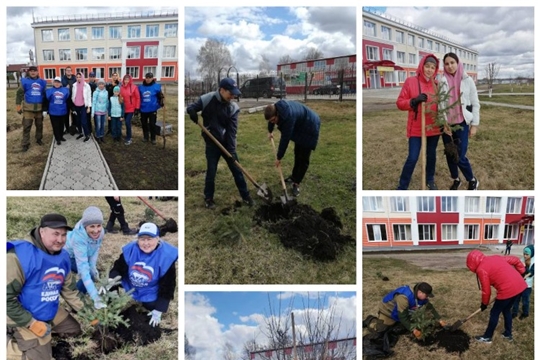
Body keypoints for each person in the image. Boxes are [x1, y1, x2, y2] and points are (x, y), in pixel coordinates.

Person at [6, 214, 85, 359]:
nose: (60, 240)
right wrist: (31, 323)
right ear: (42, 231)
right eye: (55, 234)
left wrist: (89, 313)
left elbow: (70, 290)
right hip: (20, 314)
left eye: (63, 234)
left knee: (73, 330)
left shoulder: (63, 257)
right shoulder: (18, 256)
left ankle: (40, 339)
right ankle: (9, 339)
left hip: (45, 306)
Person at [187, 77, 253, 209]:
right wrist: (192, 112)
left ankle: (246, 196)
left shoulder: (233, 108)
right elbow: (191, 107)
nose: (233, 96)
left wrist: (232, 151)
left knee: (237, 170)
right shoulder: (207, 99)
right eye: (231, 93)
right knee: (211, 171)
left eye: (234, 93)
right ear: (222, 90)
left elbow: (232, 132)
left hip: (227, 143)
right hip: (211, 142)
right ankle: (209, 198)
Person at [108, 222, 178, 327]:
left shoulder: (166, 257)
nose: (146, 243)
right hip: (131, 283)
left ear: (157, 238)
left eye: (149, 239)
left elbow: (168, 286)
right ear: (138, 239)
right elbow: (118, 267)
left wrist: (158, 310)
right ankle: (112, 307)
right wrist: (111, 280)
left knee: (151, 306)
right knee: (110, 282)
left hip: (149, 289)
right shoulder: (131, 250)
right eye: (142, 239)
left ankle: (149, 303)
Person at [396, 54, 441, 190]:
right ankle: (403, 186)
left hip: (434, 127)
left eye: (433, 67)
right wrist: (413, 101)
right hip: (416, 128)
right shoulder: (411, 82)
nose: (429, 70)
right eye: (427, 66)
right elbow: (399, 103)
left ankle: (430, 179)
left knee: (431, 155)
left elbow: (443, 104)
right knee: (413, 157)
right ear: (422, 66)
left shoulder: (437, 85)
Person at [466, 249, 527, 343]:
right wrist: (522, 271)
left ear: (472, 264)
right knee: (506, 310)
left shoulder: (481, 269)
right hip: (520, 286)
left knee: (494, 312)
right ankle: (508, 334)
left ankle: (487, 337)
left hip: (507, 290)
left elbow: (486, 290)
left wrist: (484, 303)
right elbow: (515, 259)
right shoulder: (495, 257)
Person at [439, 52, 480, 190]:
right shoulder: (442, 81)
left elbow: (475, 103)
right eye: (446, 63)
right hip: (447, 125)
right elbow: (440, 104)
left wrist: (474, 125)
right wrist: (444, 124)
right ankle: (456, 179)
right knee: (450, 154)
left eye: (452, 62)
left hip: (462, 123)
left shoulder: (467, 80)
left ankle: (472, 179)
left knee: (460, 156)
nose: (450, 66)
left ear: (458, 63)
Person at [263, 99, 321, 197]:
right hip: (300, 126)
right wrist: (270, 130)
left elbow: (285, 139)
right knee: (297, 153)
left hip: (310, 127)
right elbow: (271, 119)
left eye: (273, 120)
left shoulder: (288, 117)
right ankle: (294, 177)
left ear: (277, 114)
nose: (273, 122)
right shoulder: (276, 109)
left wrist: (279, 157)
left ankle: (297, 183)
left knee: (303, 158)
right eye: (271, 121)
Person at [63, 206, 107, 311]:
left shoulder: (101, 233)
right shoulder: (78, 239)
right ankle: (76, 303)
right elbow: (83, 269)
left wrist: (93, 268)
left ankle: (78, 298)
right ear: (85, 226)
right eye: (92, 226)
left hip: (84, 252)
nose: (96, 230)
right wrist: (95, 297)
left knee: (92, 274)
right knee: (86, 275)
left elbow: (95, 249)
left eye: (98, 226)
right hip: (68, 256)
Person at [366, 282, 444, 339]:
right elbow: (402, 317)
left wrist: (440, 320)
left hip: (402, 311)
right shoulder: (404, 297)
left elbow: (430, 307)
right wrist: (414, 330)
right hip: (388, 311)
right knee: (380, 330)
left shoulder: (419, 295)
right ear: (420, 292)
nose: (427, 297)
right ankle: (371, 320)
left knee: (403, 326)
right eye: (426, 295)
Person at [15, 65, 47, 152]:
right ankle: (25, 143)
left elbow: (44, 95)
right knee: (26, 126)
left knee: (39, 125)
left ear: (37, 72)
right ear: (29, 72)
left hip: (39, 109)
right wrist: (18, 106)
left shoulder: (42, 82)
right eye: (31, 71)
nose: (33, 72)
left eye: (34, 71)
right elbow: (19, 94)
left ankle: (39, 139)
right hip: (28, 108)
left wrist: (45, 108)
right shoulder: (25, 81)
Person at [138, 72, 165, 145]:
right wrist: (137, 107)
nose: (148, 79)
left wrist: (161, 101)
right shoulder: (140, 87)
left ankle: (153, 138)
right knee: (144, 124)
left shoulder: (156, 86)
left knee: (152, 124)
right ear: (145, 78)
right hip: (143, 109)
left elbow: (160, 97)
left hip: (152, 109)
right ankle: (145, 137)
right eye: (147, 78)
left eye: (150, 78)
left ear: (152, 78)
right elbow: (138, 97)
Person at [43, 76, 69, 146]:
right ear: (53, 83)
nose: (57, 83)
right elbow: (46, 101)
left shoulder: (65, 90)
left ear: (61, 83)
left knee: (61, 125)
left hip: (62, 111)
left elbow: (68, 100)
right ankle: (57, 139)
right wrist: (45, 109)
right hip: (53, 112)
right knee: (55, 126)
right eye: (55, 82)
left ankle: (61, 136)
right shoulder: (49, 91)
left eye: (58, 82)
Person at [512, 245, 534, 320]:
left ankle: (525, 313)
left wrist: (525, 275)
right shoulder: (521, 260)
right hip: (519, 284)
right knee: (516, 299)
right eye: (524, 254)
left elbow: (532, 272)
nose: (525, 256)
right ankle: (514, 312)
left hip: (527, 286)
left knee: (525, 300)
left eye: (527, 254)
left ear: (531, 254)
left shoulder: (534, 262)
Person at [119, 74, 140, 145]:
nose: (126, 81)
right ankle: (126, 135)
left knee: (128, 122)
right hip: (124, 108)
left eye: (127, 79)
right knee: (124, 122)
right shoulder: (121, 87)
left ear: (130, 80)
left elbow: (137, 97)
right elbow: (120, 96)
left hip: (131, 108)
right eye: (125, 79)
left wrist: (137, 107)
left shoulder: (134, 87)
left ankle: (129, 138)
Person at [71, 72, 92, 142]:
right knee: (78, 121)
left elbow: (89, 97)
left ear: (82, 77)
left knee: (84, 121)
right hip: (76, 106)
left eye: (80, 77)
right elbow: (73, 95)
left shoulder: (86, 86)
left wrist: (89, 107)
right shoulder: (74, 85)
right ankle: (81, 133)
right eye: (77, 77)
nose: (78, 78)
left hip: (83, 106)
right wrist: (73, 104)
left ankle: (87, 134)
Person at [91, 78, 109, 143]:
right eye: (100, 84)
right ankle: (98, 136)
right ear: (98, 85)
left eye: (102, 84)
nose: (101, 85)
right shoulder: (95, 92)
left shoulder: (106, 92)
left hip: (103, 111)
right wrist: (92, 112)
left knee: (103, 125)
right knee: (98, 125)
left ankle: (102, 136)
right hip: (97, 111)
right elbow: (94, 102)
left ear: (104, 85)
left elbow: (107, 101)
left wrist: (107, 110)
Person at [61, 66, 77, 134]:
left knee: (74, 114)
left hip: (73, 99)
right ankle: (67, 128)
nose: (68, 71)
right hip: (66, 99)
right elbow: (61, 86)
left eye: (69, 70)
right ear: (65, 71)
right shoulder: (63, 78)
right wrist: (65, 87)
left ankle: (74, 128)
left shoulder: (74, 78)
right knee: (66, 115)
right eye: (67, 70)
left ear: (71, 71)